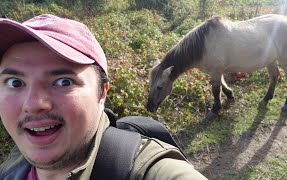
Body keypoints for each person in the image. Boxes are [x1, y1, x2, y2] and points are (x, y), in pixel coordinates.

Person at [0, 14, 207, 180]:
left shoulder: (150, 171)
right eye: (15, 83)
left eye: (64, 82)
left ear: (102, 93)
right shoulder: (11, 167)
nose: (34, 104)